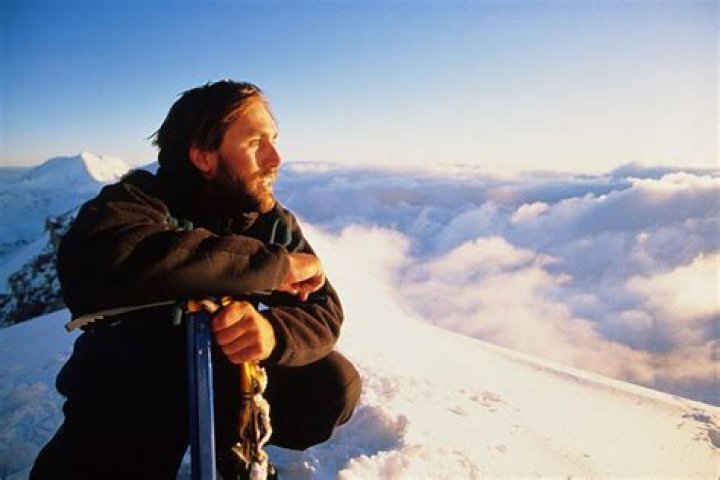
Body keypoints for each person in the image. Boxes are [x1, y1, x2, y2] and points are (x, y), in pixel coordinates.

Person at [30, 80, 361, 479]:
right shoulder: (139, 199)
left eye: (273, 140)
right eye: (255, 143)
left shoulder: (268, 220)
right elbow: (112, 252)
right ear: (204, 156)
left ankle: (236, 445)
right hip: (133, 384)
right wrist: (274, 268)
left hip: (223, 373)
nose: (276, 158)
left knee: (333, 384)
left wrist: (272, 333)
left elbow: (323, 309)